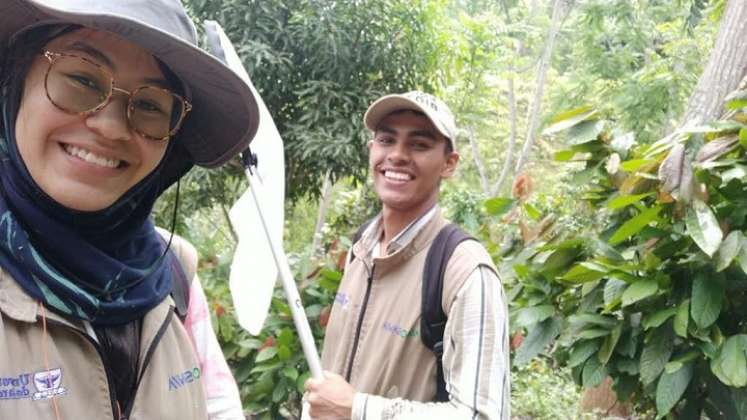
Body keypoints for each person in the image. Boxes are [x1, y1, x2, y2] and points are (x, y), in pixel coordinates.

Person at [0, 0, 259, 418]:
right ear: (15, 80)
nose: (111, 126)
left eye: (152, 105)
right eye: (82, 78)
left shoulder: (173, 273)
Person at [304, 91, 510, 419]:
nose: (398, 155)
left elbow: (481, 414)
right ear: (372, 150)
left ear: (449, 164)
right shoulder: (361, 250)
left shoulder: (465, 270)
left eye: (419, 144)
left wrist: (358, 409)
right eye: (387, 139)